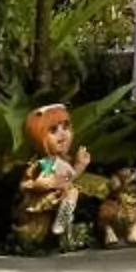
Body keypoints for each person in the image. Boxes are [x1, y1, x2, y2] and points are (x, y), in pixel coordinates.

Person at [20, 102, 90, 250]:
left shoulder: (64, 161)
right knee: (71, 192)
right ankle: (60, 223)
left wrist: (79, 165)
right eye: (53, 130)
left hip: (61, 195)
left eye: (65, 128)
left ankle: (63, 220)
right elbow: (28, 183)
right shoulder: (45, 163)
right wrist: (43, 183)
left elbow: (70, 177)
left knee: (73, 191)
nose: (62, 134)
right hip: (44, 199)